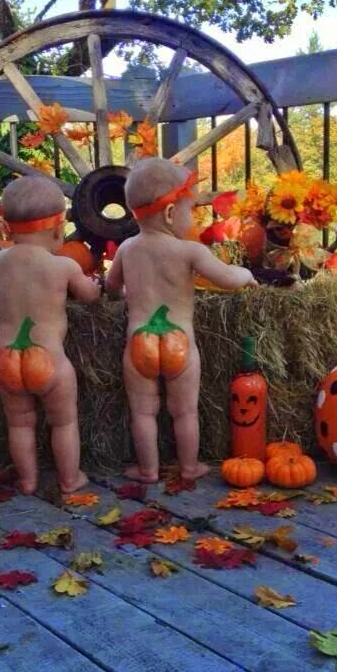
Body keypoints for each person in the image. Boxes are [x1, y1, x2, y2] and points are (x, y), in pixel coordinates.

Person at [106, 157, 257, 483]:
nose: (193, 218)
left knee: (143, 412)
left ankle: (148, 470)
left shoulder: (127, 249)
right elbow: (228, 278)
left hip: (140, 343)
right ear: (171, 213)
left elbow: (112, 288)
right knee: (184, 411)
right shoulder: (190, 251)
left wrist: (124, 296)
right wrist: (246, 274)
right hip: (180, 344)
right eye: (191, 210)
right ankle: (189, 467)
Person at [0, 176, 100, 494]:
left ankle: (28, 480)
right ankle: (70, 479)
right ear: (58, 229)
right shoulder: (63, 266)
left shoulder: (1, 262)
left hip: (8, 361)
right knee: (63, 422)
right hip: (49, 363)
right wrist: (95, 286)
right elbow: (89, 296)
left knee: (19, 423)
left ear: (7, 228)